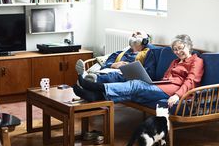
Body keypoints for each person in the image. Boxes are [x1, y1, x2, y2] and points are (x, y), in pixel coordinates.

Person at [72, 34, 204, 107]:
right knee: (135, 93)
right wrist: (152, 84)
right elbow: (165, 78)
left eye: (181, 48)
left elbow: (191, 81)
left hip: (174, 90)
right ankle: (94, 96)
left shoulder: (196, 61)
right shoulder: (175, 61)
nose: (178, 52)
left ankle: (94, 86)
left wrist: (177, 95)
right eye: (175, 50)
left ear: (189, 46)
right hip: (163, 86)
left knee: (136, 85)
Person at [75, 30, 156, 84]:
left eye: (138, 34)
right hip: (111, 70)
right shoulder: (119, 53)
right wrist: (113, 65)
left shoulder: (148, 53)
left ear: (145, 40)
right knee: (103, 73)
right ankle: (88, 77)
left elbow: (148, 72)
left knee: (115, 75)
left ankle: (86, 78)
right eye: (133, 34)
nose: (134, 35)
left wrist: (129, 67)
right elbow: (104, 65)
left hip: (127, 74)